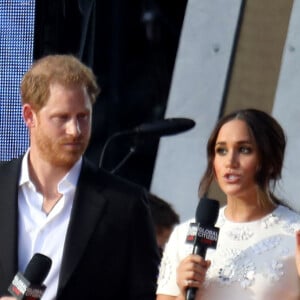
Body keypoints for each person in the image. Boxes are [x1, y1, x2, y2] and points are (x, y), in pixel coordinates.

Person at [0, 54, 160, 300]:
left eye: (83, 117)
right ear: (30, 116)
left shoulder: (125, 204)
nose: (75, 131)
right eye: (62, 118)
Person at [156, 108, 300, 300]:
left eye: (244, 150)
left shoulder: (294, 233)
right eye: (221, 150)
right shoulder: (183, 236)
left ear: (271, 161)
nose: (230, 161)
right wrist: (183, 293)